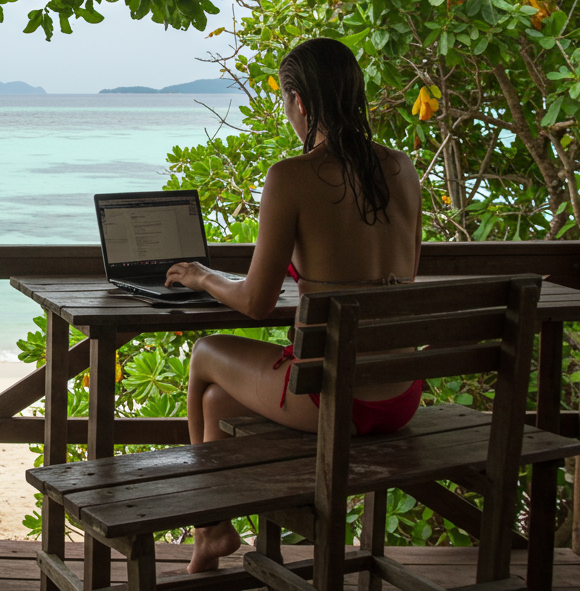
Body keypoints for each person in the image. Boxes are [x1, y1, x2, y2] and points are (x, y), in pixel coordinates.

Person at [162, 37, 424, 575]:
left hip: (334, 401)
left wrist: (203, 276)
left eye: (286, 103)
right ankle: (210, 549)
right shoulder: (403, 171)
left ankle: (209, 528)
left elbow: (257, 303)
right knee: (216, 404)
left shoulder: (293, 176)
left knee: (205, 354)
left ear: (300, 102)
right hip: (399, 395)